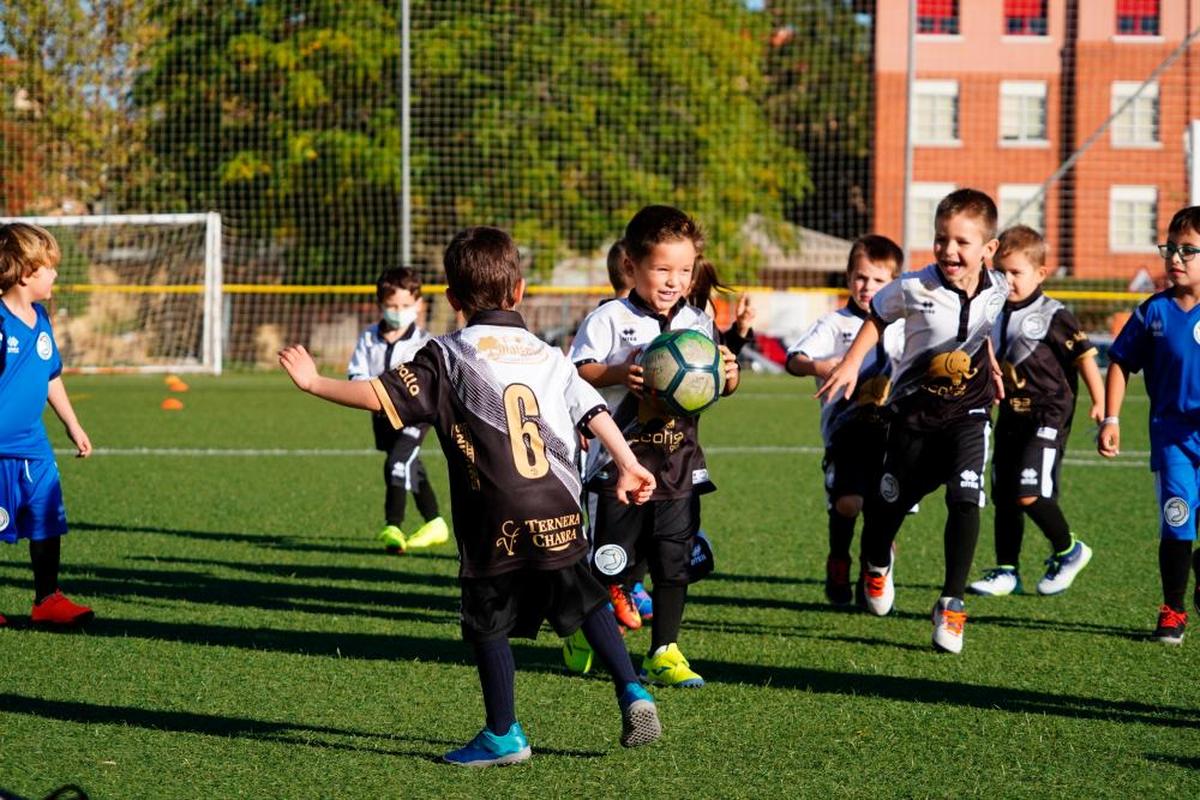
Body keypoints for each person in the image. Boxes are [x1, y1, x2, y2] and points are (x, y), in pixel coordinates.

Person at [279, 225, 662, 766]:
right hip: (558, 506)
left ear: (453, 300)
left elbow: (376, 394)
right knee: (584, 597)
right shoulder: (548, 354)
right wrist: (628, 464)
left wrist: (314, 382)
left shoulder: (447, 355)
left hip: (494, 518)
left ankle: (504, 734)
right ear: (520, 291)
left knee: (487, 620)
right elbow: (592, 410)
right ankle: (631, 688)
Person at [818, 188, 1009, 654]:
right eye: (942, 239)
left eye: (963, 242)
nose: (949, 250)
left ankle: (952, 602)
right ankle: (877, 561)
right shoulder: (913, 286)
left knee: (967, 499)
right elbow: (876, 317)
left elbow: (980, 331)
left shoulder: (999, 288)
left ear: (989, 249)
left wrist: (993, 364)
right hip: (912, 417)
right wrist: (848, 363)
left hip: (969, 413)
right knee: (887, 509)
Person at [569, 205, 740, 688]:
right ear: (632, 267)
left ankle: (664, 650)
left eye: (684, 270)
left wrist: (729, 377)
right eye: (662, 269)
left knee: (673, 560)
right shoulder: (609, 318)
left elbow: (718, 382)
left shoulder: (698, 319)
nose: (673, 281)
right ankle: (586, 630)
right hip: (618, 465)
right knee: (611, 561)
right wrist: (623, 372)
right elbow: (579, 371)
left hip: (679, 461)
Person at [969, 226, 1102, 597]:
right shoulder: (993, 310)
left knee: (1029, 491)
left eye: (1016, 273)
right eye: (1001, 272)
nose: (1008, 280)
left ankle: (1070, 549)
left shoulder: (1053, 314)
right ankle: (1007, 570)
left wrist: (1102, 405)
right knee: (1005, 495)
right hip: (1010, 415)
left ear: (1040, 274)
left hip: (1048, 416)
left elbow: (1086, 359)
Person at [1100, 205, 1200, 645]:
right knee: (1177, 521)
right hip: (1173, 440)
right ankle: (1173, 608)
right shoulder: (1153, 312)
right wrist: (1111, 417)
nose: (1175, 258)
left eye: (1188, 250)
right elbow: (1120, 362)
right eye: (1170, 248)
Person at [787, 234, 904, 606]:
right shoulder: (835, 324)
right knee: (848, 503)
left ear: (895, 284)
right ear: (849, 276)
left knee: (883, 511)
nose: (867, 287)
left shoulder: (904, 324)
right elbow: (794, 359)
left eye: (878, 280)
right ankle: (839, 558)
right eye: (860, 277)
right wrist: (818, 365)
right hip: (846, 434)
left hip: (895, 435)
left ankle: (877, 571)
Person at [0, 222, 94, 627]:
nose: (56, 273)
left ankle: (47, 599)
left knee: (46, 516)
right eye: (49, 267)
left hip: (35, 445)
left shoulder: (40, 318)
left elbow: (50, 375)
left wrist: (72, 424)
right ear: (25, 273)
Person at [347, 267, 447, 554]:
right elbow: (357, 373)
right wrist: (368, 392)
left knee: (396, 464)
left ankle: (393, 526)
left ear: (418, 304)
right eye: (391, 306)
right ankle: (435, 522)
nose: (398, 311)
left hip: (415, 417)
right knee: (410, 465)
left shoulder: (424, 343)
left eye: (405, 306)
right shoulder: (369, 337)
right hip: (381, 415)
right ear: (381, 304)